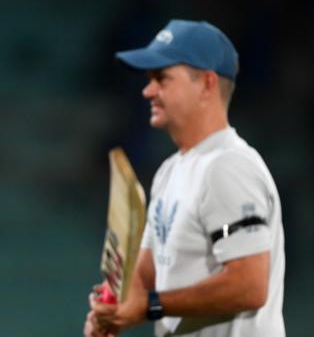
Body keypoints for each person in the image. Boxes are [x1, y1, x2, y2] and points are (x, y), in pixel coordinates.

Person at [84, 20, 285, 336]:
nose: (148, 90)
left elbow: (249, 285)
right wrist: (115, 309)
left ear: (206, 84)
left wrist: (150, 306)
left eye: (162, 78)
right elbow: (147, 274)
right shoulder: (170, 172)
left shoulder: (229, 167)